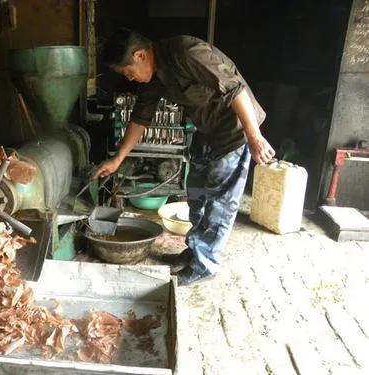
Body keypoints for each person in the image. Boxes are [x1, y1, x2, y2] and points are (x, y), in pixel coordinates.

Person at [93, 29, 275, 286]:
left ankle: (205, 265)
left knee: (219, 204)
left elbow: (235, 88)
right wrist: (118, 159)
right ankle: (195, 250)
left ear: (140, 55)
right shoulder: (154, 77)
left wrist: (254, 137)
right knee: (198, 197)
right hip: (206, 132)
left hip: (235, 131)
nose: (130, 78)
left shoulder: (186, 52)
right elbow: (140, 118)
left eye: (128, 72)